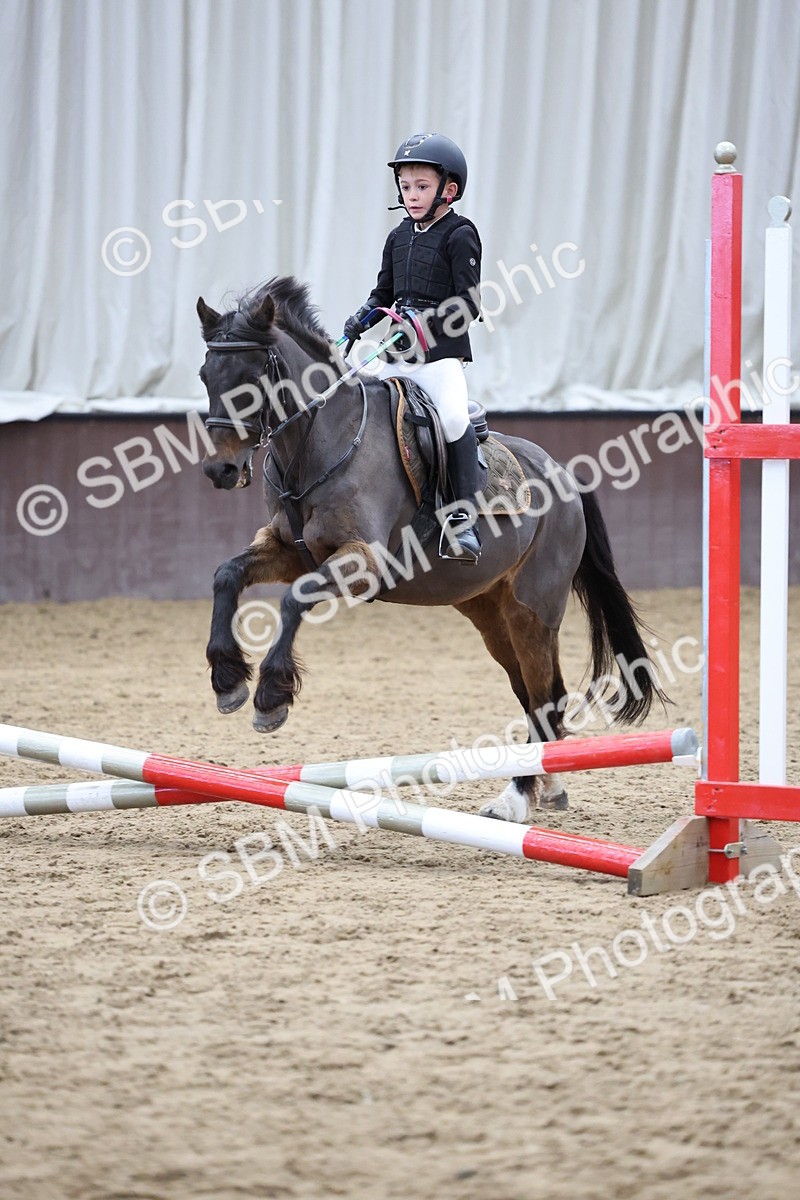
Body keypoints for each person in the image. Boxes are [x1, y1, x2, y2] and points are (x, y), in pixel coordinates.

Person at [343, 132, 484, 564]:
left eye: (422, 187)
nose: (413, 195)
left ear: (449, 190)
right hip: (394, 357)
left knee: (455, 418)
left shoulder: (460, 234)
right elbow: (383, 292)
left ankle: (462, 522)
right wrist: (361, 319)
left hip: (439, 360)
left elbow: (470, 304)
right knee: (355, 412)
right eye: (406, 187)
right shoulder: (398, 237)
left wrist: (425, 327)